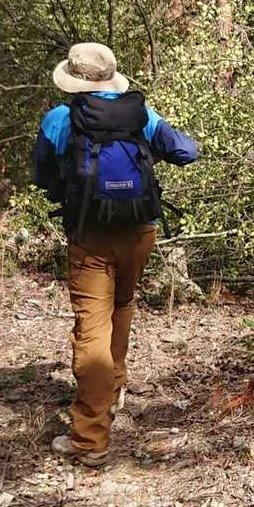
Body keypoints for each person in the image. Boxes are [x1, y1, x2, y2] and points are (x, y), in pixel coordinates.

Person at [32, 42, 199, 468]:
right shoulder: (142, 115)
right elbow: (187, 151)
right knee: (121, 306)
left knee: (92, 330)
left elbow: (41, 175)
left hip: (91, 236)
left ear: (74, 81)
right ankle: (113, 388)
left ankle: (90, 440)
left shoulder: (61, 119)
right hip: (140, 232)